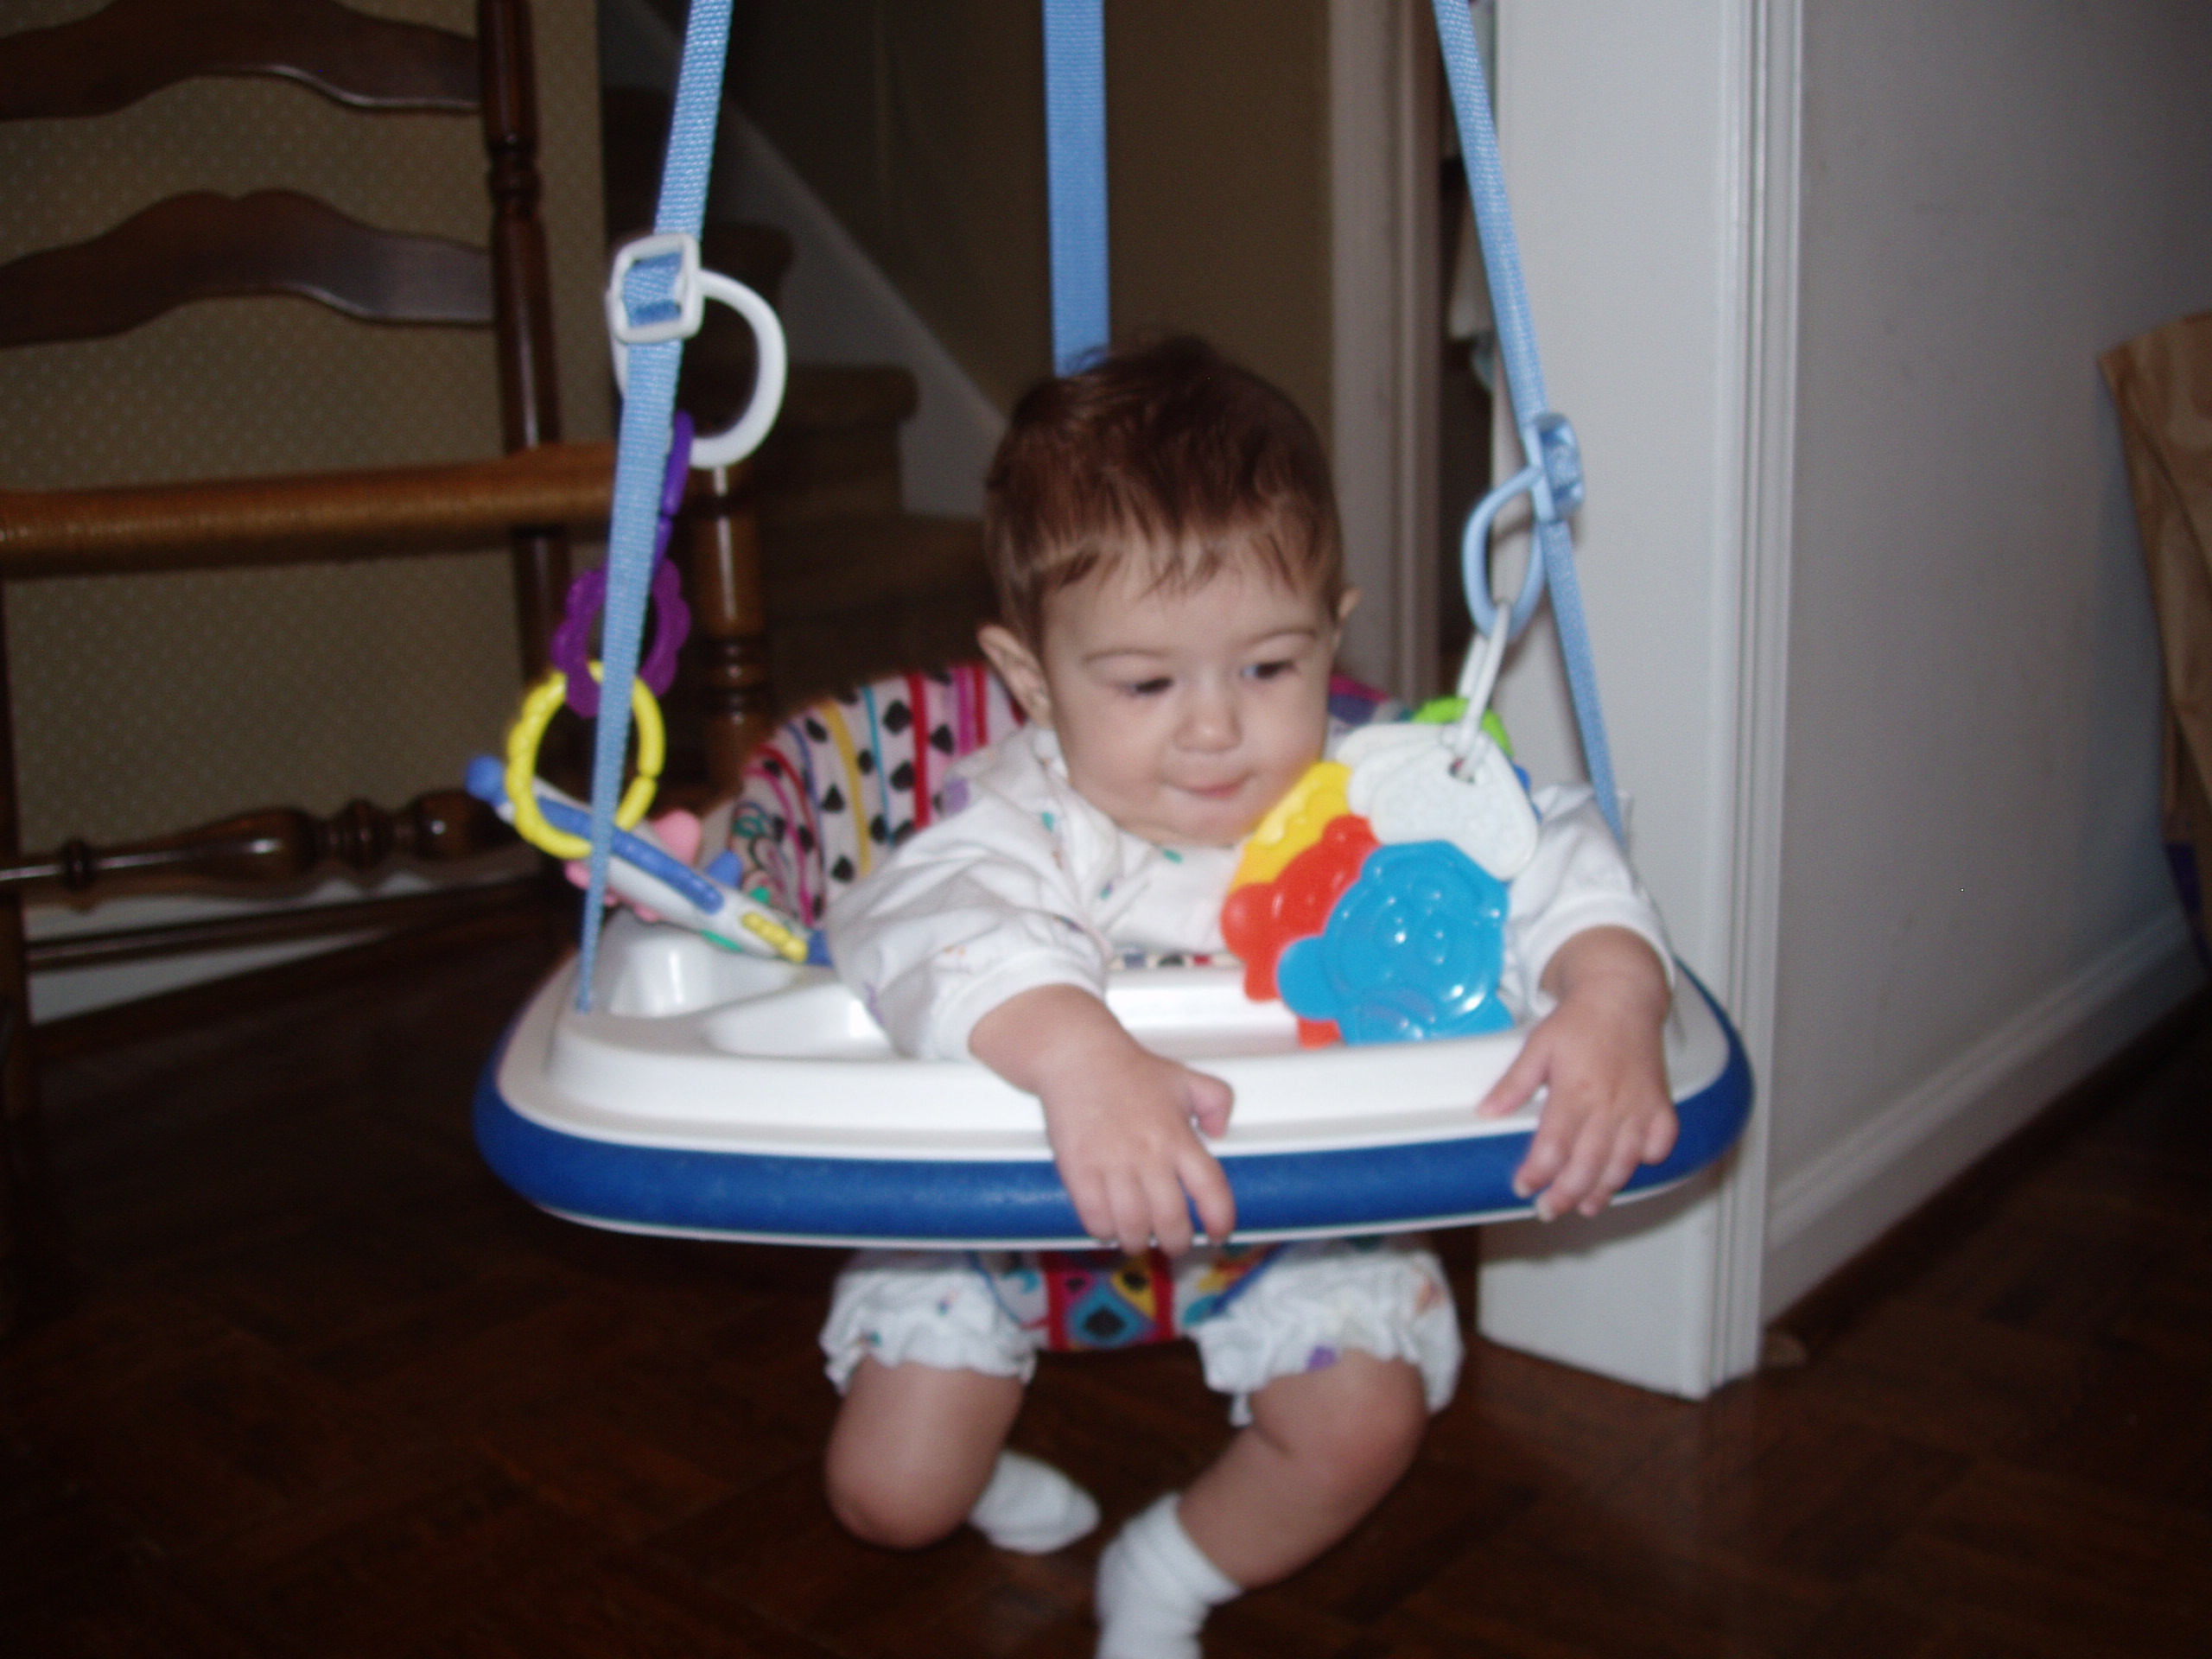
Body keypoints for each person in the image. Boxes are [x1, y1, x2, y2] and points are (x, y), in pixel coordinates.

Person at [809, 337, 1675, 1658]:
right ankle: (970, 1481)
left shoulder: (1379, 791)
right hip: (1009, 1216)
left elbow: (1545, 843)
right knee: (889, 1497)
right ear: (1033, 680)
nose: (1214, 730)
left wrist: (1608, 989)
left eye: (1268, 668)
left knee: (1365, 1425)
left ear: (1332, 631)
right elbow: (918, 924)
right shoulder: (1030, 818)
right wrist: (1078, 1054)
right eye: (1146, 684)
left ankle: (1172, 1569)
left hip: (1296, 1211)